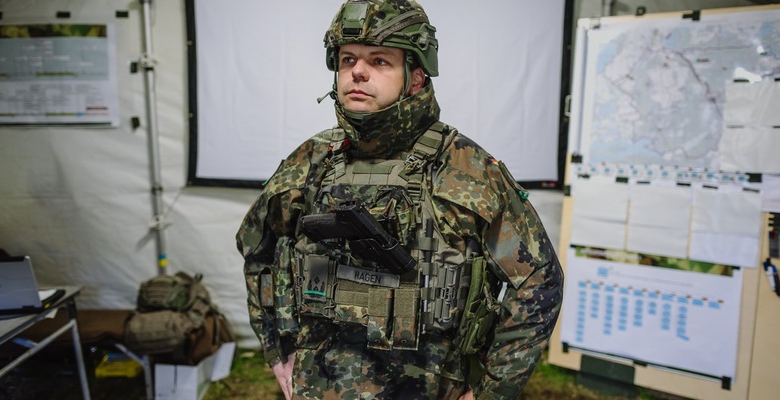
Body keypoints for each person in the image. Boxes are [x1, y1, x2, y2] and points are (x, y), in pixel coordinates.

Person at [236, 1, 563, 399]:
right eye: (347, 59)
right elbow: (257, 249)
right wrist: (276, 349)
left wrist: (490, 391)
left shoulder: (469, 170)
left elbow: (539, 283)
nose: (357, 71)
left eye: (379, 61)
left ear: (416, 77)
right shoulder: (312, 160)